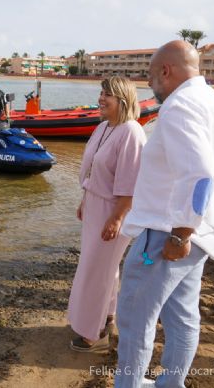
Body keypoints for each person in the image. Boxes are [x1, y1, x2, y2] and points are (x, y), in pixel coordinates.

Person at [114, 40, 214, 388]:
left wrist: (183, 231)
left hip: (167, 235)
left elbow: (200, 172)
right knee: (182, 317)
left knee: (134, 316)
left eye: (150, 75)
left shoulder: (180, 105)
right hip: (196, 232)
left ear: (166, 70)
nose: (150, 84)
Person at [67, 77, 146, 352]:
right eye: (101, 93)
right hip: (94, 204)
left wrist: (116, 218)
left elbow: (131, 183)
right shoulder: (103, 127)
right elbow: (92, 170)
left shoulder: (132, 133)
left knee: (95, 270)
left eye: (108, 95)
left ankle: (93, 332)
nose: (101, 99)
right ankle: (107, 316)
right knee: (104, 269)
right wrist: (84, 198)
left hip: (113, 210)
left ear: (122, 100)